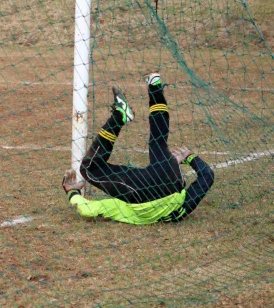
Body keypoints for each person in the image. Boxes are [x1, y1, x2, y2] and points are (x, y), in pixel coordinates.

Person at [61, 72, 215, 224]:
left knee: (158, 141)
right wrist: (71, 191)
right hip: (143, 188)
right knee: (89, 168)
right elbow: (87, 209)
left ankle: (154, 86)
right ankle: (119, 116)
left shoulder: (181, 210)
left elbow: (207, 175)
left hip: (170, 179)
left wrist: (189, 157)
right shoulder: (129, 213)